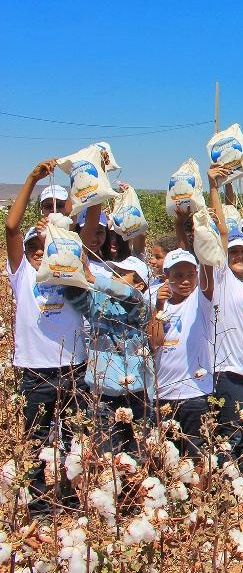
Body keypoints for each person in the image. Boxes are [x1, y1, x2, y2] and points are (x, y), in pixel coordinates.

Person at [5, 160, 88, 515]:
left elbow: (78, 234)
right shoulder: (21, 273)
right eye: (34, 248)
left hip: (73, 367)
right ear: (25, 253)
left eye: (45, 248)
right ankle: (38, 503)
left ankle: (70, 497)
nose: (41, 253)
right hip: (34, 370)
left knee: (73, 440)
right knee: (36, 439)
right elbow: (11, 227)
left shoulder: (67, 271)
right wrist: (32, 179)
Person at [206, 164, 243, 464]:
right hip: (228, 371)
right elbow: (222, 231)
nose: (239, 256)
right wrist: (214, 187)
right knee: (230, 435)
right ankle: (228, 492)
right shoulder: (223, 280)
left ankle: (240, 495)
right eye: (233, 253)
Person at [69, 255, 152, 457]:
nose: (114, 277)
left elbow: (131, 296)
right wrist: (73, 266)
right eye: (114, 273)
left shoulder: (141, 306)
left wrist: (93, 279)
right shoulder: (98, 302)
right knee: (106, 458)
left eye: (122, 274)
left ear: (139, 284)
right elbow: (73, 294)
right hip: (103, 395)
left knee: (137, 457)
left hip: (136, 395)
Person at [149, 247, 215, 456]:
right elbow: (154, 342)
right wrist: (158, 307)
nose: (185, 281)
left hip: (196, 393)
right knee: (167, 460)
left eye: (190, 275)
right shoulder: (154, 298)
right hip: (164, 393)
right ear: (166, 276)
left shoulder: (201, 298)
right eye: (178, 276)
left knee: (198, 457)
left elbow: (209, 269)